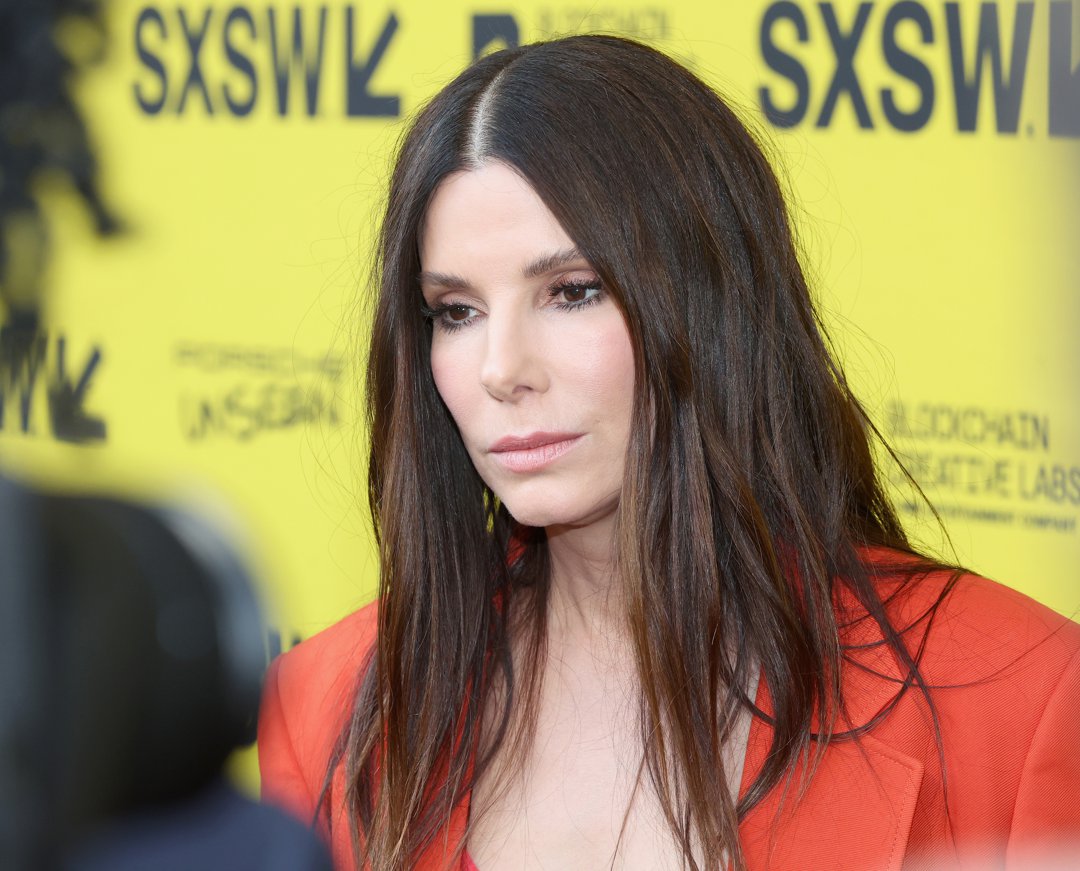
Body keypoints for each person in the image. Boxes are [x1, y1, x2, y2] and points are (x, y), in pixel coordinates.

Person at [257, 35, 1080, 871]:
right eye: (456, 311)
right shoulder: (325, 707)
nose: (502, 368)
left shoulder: (1020, 698)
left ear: (710, 305)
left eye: (572, 292)